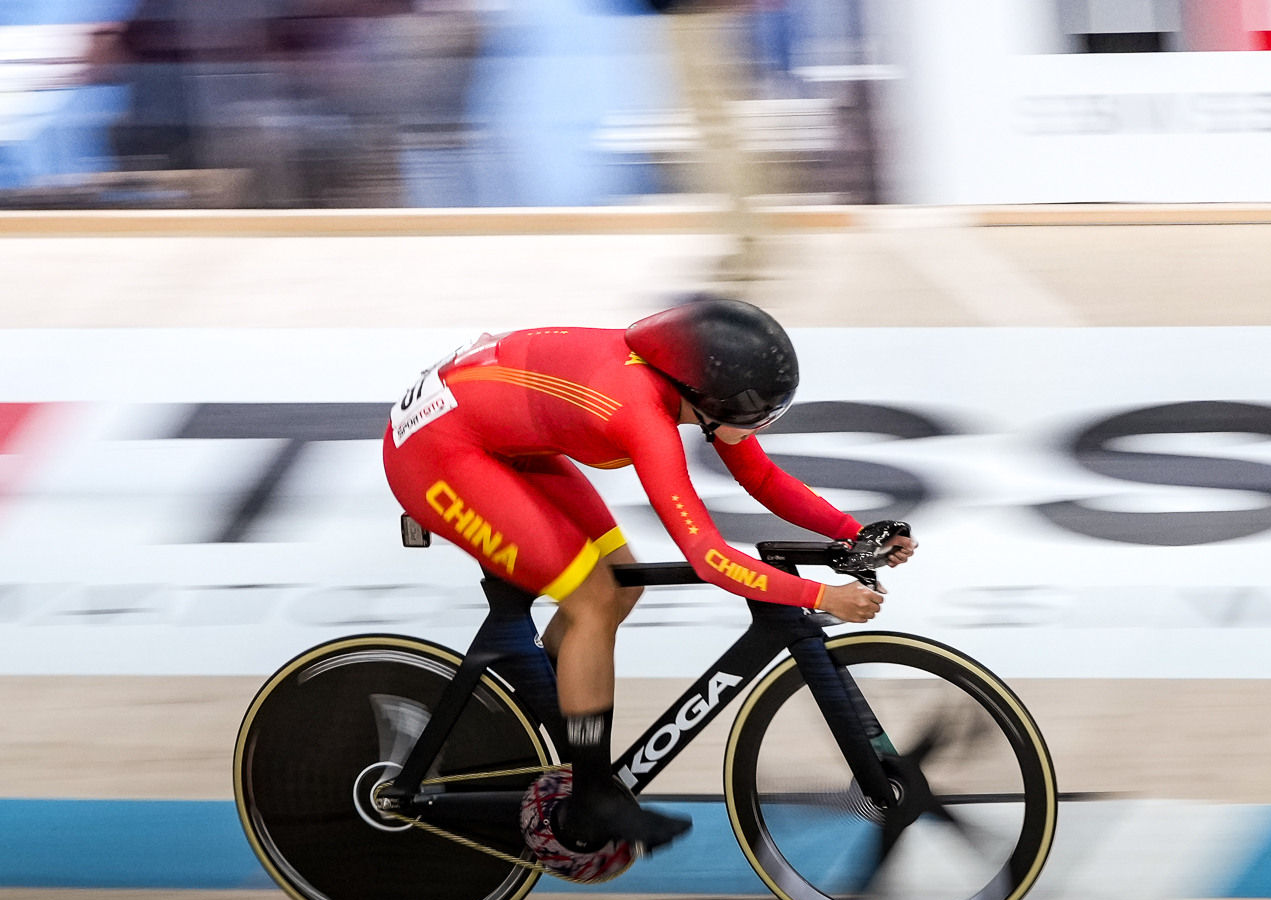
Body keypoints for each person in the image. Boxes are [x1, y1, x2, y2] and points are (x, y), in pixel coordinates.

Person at [382, 298, 916, 854]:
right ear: (706, 397)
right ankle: (590, 794)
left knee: (623, 581)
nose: (757, 427)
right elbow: (710, 557)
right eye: (753, 415)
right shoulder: (640, 413)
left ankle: (552, 711)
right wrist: (820, 594)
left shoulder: (682, 375)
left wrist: (853, 532)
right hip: (437, 452)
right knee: (592, 599)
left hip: (498, 436)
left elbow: (759, 475)